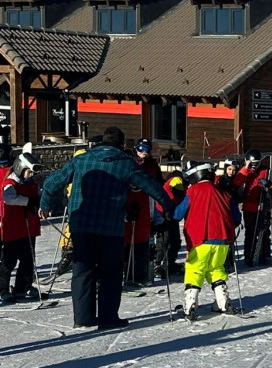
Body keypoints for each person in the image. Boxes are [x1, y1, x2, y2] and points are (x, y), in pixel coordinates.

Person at [39, 126, 175, 329]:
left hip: (81, 225)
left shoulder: (81, 159)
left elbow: (51, 183)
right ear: (121, 145)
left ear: (102, 142)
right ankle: (108, 318)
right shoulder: (126, 164)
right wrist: (168, 207)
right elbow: (153, 187)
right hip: (110, 227)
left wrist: (45, 204)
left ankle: (82, 319)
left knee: (82, 271)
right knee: (110, 273)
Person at [174, 159, 241, 319]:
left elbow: (177, 214)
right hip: (223, 240)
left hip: (201, 239)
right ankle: (223, 302)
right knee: (216, 269)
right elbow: (237, 217)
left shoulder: (193, 191)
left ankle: (190, 306)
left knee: (195, 269)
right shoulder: (224, 193)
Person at [1, 145, 42, 304]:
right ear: (20, 168)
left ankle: (22, 287)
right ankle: (2, 289)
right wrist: (27, 202)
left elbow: (37, 196)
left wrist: (40, 205)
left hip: (29, 227)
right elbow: (8, 198)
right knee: (8, 261)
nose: (31, 175)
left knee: (28, 259)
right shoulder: (11, 182)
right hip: (14, 228)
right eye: (29, 172)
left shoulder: (31, 183)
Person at [233, 149, 272, 267]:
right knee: (250, 233)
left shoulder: (265, 171)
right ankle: (249, 255)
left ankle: (265, 255)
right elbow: (237, 182)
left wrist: (269, 185)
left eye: (257, 163)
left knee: (264, 232)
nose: (255, 166)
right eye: (253, 163)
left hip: (263, 206)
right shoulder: (245, 172)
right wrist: (246, 168)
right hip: (249, 207)